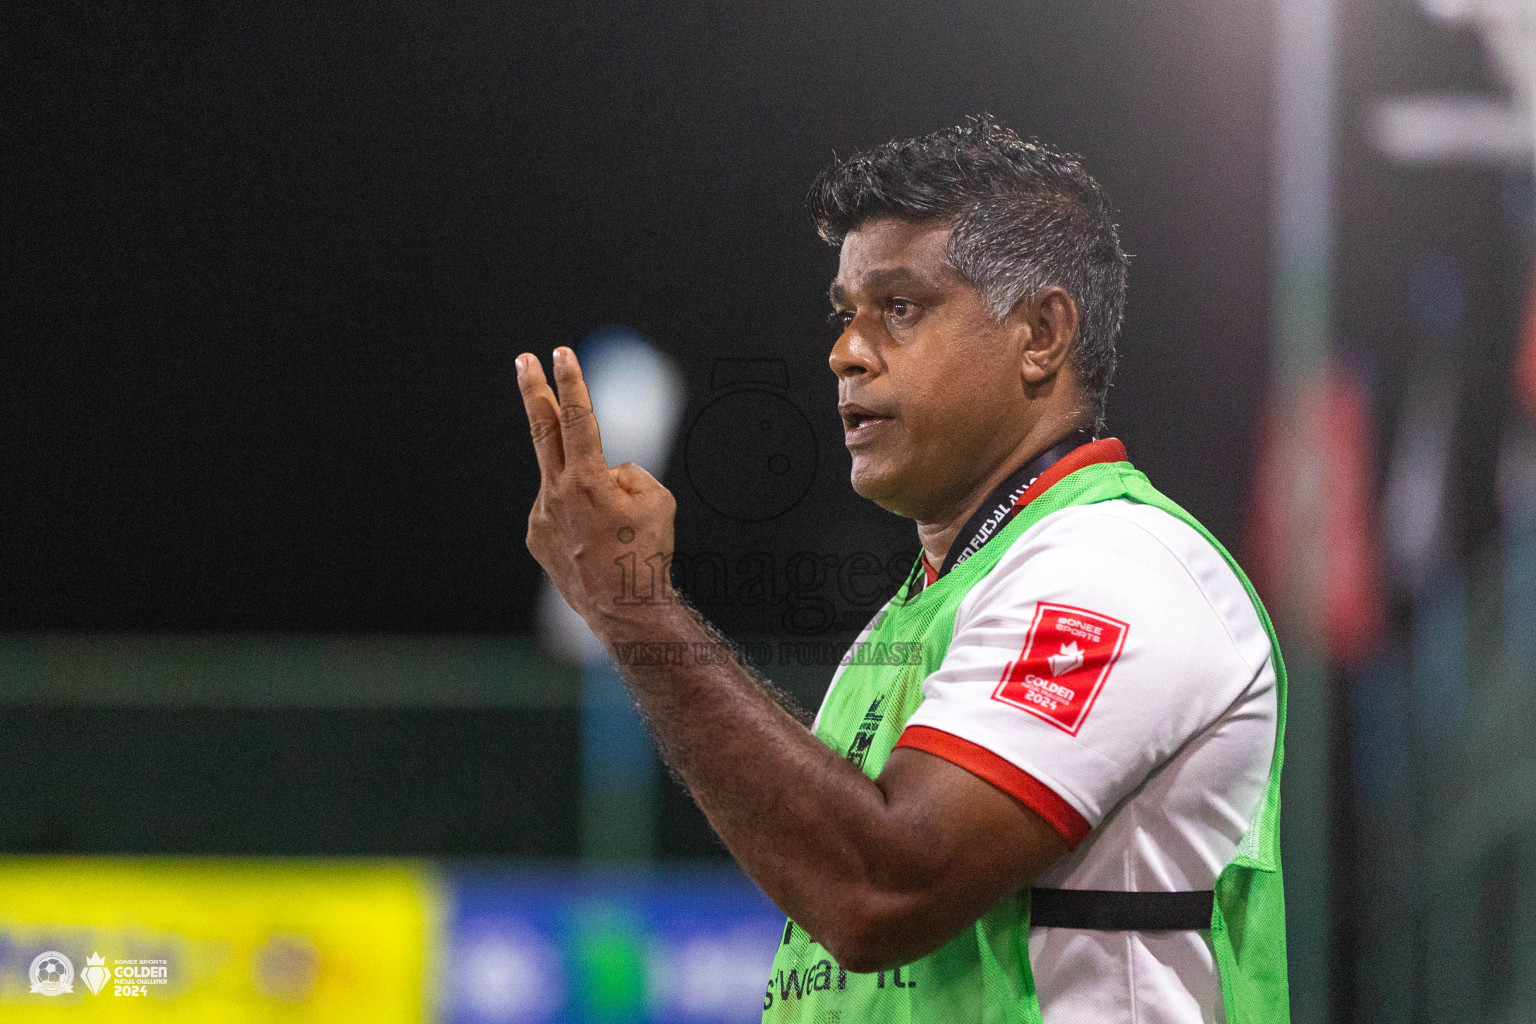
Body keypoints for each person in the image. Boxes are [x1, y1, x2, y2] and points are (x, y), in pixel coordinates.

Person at [516, 117, 1289, 1024]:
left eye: (901, 308)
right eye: (846, 313)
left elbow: (883, 887)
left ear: (1041, 334)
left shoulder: (1113, 570)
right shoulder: (917, 616)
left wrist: (634, 610)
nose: (847, 349)